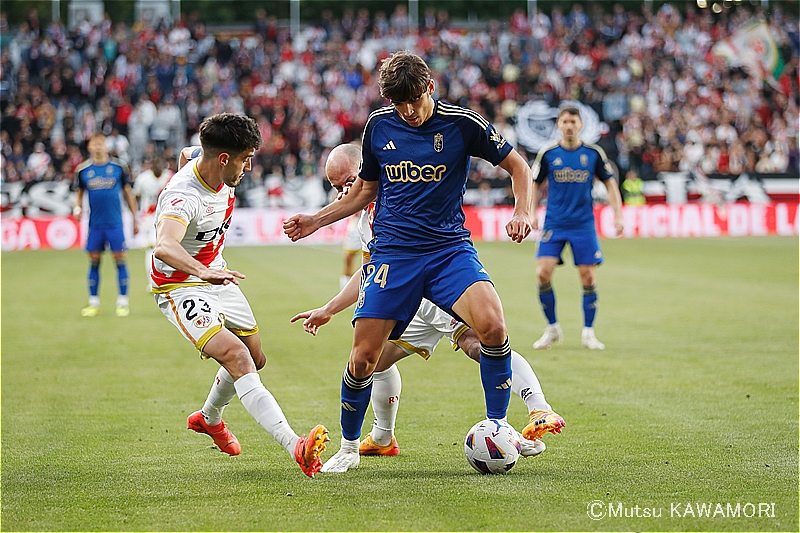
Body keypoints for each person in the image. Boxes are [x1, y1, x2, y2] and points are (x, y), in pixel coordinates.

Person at [283, 51, 534, 473]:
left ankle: (498, 427)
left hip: (448, 250)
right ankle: (347, 448)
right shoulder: (379, 126)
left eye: (413, 101)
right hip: (393, 255)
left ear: (429, 88)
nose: (408, 111)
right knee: (363, 358)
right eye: (399, 104)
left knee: (493, 326)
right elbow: (364, 190)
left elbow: (519, 168)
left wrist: (522, 211)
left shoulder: (462, 124)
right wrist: (316, 220)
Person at [291, 144, 565, 466]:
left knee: (477, 343)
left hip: (435, 291)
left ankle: (535, 409)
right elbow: (370, 269)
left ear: (366, 168)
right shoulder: (365, 220)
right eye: (337, 188)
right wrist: (330, 308)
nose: (343, 193)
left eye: (348, 182)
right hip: (405, 302)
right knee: (372, 361)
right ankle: (382, 437)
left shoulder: (401, 195)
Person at [151, 113, 328, 477]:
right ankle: (295, 445)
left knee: (255, 356)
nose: (248, 167)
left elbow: (188, 155)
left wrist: (212, 271)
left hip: (217, 274)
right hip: (180, 284)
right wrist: (202, 271)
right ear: (223, 159)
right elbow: (164, 245)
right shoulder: (184, 198)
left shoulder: (206, 160)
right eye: (245, 158)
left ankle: (208, 418)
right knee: (237, 357)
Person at [529, 106, 624, 351]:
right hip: (555, 223)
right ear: (558, 125)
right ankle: (552, 328)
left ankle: (588, 333)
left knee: (588, 277)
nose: (569, 126)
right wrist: (531, 212)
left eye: (573, 121)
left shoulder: (593, 153)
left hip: (583, 224)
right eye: (565, 121)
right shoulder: (548, 153)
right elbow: (535, 184)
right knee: (542, 274)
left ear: (580, 125)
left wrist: (618, 215)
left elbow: (611, 184)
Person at [73, 133, 140, 317]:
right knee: (94, 262)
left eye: (101, 143)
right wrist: (77, 207)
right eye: (94, 144)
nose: (98, 147)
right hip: (95, 225)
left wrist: (135, 218)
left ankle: (122, 303)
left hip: (115, 224)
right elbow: (79, 194)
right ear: (89, 147)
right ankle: (94, 303)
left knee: (120, 260)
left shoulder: (118, 167)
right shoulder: (83, 170)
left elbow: (128, 193)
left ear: (106, 146)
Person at [132, 154, 174, 282]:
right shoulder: (143, 179)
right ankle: (152, 282)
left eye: (160, 165)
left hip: (167, 219)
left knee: (167, 249)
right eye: (155, 165)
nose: (158, 167)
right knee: (151, 250)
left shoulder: (171, 177)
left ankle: (165, 278)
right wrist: (136, 215)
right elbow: (135, 196)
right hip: (148, 220)